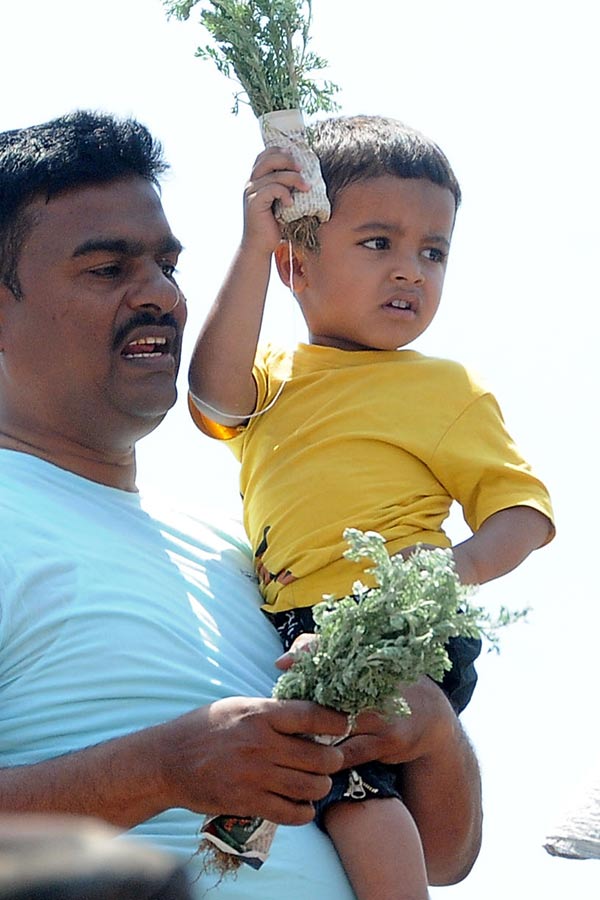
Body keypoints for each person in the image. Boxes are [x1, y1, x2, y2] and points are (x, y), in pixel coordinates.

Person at [0, 110, 483, 900]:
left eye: (166, 263)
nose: (159, 294)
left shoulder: (250, 556)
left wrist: (431, 731)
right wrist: (161, 769)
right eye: (106, 269)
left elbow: (445, 858)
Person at [188, 115, 555, 899]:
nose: (411, 272)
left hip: (390, 625)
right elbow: (209, 393)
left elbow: (523, 514)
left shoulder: (443, 388)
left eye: (434, 251)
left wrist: (445, 570)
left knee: (356, 798)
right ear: (297, 266)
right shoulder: (273, 378)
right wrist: (255, 245)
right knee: (286, 789)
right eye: (378, 243)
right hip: (302, 630)